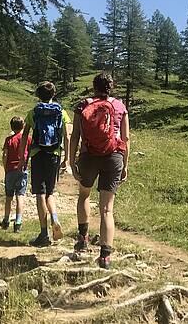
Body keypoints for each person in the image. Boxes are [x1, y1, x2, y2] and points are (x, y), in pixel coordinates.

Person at [69, 72, 130, 269]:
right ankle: (105, 256)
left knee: (84, 195)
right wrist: (125, 164)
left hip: (88, 156)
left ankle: (83, 238)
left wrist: (71, 160)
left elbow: (75, 136)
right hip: (114, 157)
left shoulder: (83, 104)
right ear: (111, 87)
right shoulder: (120, 106)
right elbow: (126, 138)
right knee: (107, 209)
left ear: (93, 86)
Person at [19, 81, 72, 247]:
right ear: (53, 94)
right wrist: (67, 158)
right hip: (54, 155)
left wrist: (23, 157)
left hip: (37, 155)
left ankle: (44, 234)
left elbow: (24, 135)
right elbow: (67, 136)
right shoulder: (61, 112)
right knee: (50, 192)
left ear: (38, 95)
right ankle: (55, 218)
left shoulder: (34, 112)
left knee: (39, 194)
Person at [0, 116, 31, 233]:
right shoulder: (27, 139)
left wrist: (5, 168)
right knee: (20, 196)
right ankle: (18, 222)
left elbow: (4, 156)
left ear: (11, 127)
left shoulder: (8, 140)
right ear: (23, 126)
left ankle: (6, 220)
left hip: (10, 170)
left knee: (8, 197)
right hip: (22, 170)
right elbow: (30, 153)